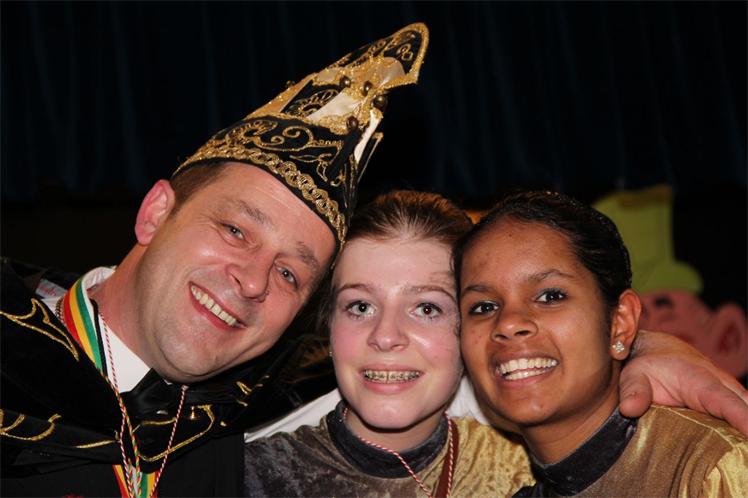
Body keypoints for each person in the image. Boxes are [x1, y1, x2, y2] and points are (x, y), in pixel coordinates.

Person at [0, 23, 430, 497]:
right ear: (154, 214)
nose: (253, 281)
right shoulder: (12, 371)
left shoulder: (261, 428)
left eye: (289, 273)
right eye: (236, 231)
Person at [456, 191, 748, 497]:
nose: (508, 323)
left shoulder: (711, 471)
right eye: (483, 307)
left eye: (551, 296)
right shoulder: (491, 479)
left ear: (620, 322)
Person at [245, 190, 535, 497]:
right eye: (361, 307)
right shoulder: (242, 477)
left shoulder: (526, 473)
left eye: (426, 309)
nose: (385, 336)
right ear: (329, 328)